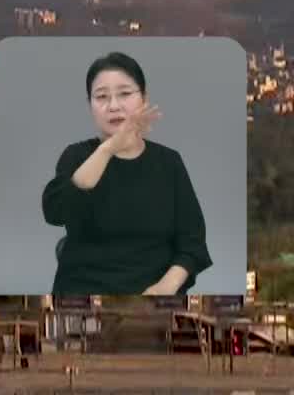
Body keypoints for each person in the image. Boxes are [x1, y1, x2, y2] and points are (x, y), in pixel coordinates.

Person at [41, 51, 213, 295]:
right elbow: (55, 211)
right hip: (83, 296)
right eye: (101, 97)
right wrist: (109, 148)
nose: (113, 106)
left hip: (156, 299)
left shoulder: (169, 162)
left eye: (124, 94)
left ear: (144, 98)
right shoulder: (76, 156)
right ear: (90, 105)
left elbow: (192, 244)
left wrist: (165, 288)